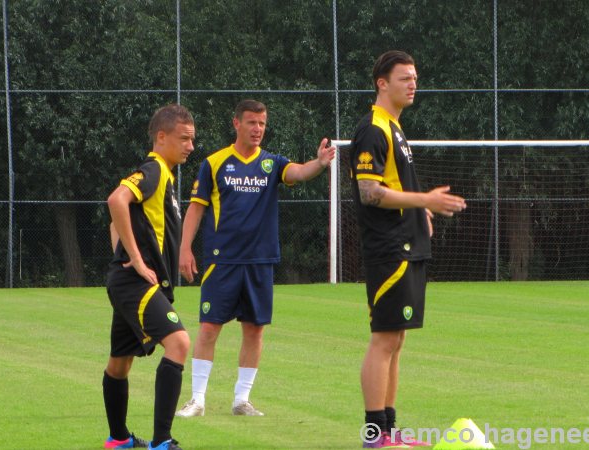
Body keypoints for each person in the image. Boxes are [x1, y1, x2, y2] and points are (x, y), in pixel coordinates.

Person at [175, 99, 336, 418]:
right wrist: (184, 248)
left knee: (254, 330)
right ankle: (197, 399)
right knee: (209, 328)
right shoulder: (215, 163)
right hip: (223, 261)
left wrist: (318, 163)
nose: (257, 129)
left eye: (262, 123)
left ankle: (241, 399)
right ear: (236, 124)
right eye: (251, 122)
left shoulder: (271, 164)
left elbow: (299, 172)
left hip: (260, 261)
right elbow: (196, 207)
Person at [349, 51, 466, 448]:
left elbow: (395, 186)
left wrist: (422, 216)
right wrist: (424, 202)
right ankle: (374, 434)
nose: (413, 84)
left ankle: (388, 431)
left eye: (415, 77)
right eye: (405, 78)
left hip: (408, 242)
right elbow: (369, 193)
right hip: (389, 247)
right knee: (383, 338)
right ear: (382, 82)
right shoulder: (373, 130)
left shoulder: (395, 128)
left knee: (396, 339)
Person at [102, 104, 196, 450]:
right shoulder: (154, 169)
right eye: (184, 138)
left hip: (125, 281)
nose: (190, 146)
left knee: (120, 362)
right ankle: (162, 441)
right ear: (161, 137)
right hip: (135, 283)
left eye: (192, 140)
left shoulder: (166, 177)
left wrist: (121, 256)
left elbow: (117, 221)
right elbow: (116, 201)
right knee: (180, 342)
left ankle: (119, 439)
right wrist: (137, 262)